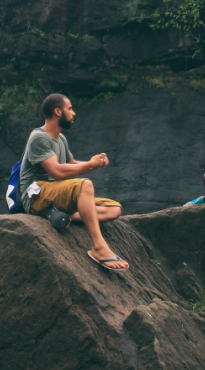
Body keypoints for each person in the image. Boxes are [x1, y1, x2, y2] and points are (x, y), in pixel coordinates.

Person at [18, 93, 129, 271]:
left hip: (54, 192)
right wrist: (90, 167)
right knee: (85, 185)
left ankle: (61, 214)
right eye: (69, 108)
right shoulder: (39, 137)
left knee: (114, 209)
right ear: (57, 111)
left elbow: (71, 164)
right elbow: (57, 170)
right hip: (35, 194)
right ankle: (99, 248)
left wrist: (94, 164)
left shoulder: (60, 139)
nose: (73, 113)